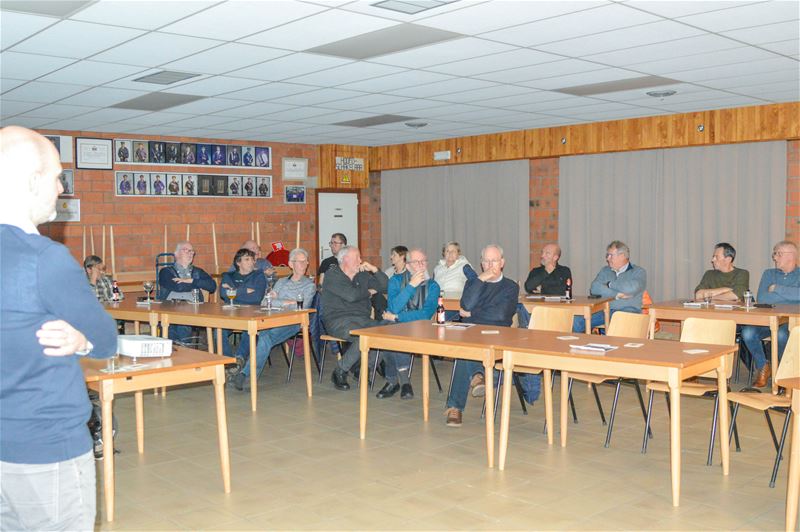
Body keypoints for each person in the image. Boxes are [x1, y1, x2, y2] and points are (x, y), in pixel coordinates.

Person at [0, 125, 118, 531]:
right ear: (33, 181)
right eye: (56, 177)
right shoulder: (45, 258)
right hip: (46, 448)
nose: (61, 188)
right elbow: (105, 338)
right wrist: (83, 339)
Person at [444, 244, 538, 427]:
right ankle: (477, 379)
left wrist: (472, 314)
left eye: (494, 260)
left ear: (502, 262)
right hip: (472, 332)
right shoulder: (473, 283)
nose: (489, 265)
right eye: (486, 261)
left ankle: (462, 398)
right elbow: (466, 304)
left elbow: (501, 315)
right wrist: (480, 280)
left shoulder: (510, 287)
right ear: (481, 263)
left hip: (499, 334)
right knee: (465, 349)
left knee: (467, 354)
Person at [232, 249, 316, 391]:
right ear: (290, 264)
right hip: (273, 319)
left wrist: (279, 300)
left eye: (305, 261)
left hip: (294, 321)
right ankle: (246, 375)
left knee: (265, 336)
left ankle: (246, 375)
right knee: (262, 334)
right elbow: (265, 302)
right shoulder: (282, 282)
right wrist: (287, 302)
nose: (303, 265)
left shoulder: (309, 285)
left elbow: (302, 307)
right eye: (299, 261)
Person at [321, 246, 389, 391]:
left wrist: (374, 269)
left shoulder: (363, 275)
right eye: (357, 257)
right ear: (345, 259)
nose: (360, 260)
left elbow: (385, 287)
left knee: (386, 333)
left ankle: (363, 370)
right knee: (363, 335)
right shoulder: (332, 275)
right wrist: (369, 291)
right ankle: (340, 370)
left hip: (362, 319)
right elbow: (351, 296)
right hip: (337, 320)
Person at [378, 249, 439, 400]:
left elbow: (425, 315)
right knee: (388, 330)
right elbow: (393, 306)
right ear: (408, 265)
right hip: (396, 327)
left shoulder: (433, 286)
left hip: (421, 328)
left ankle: (392, 381)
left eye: (423, 261)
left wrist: (397, 317)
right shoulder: (395, 281)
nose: (421, 265)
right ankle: (404, 382)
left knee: (392, 329)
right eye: (416, 262)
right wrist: (411, 285)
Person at [741, 241, 800, 387]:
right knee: (747, 332)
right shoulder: (768, 273)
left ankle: (784, 372)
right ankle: (763, 366)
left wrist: (776, 288)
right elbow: (763, 298)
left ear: (791, 256)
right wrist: (790, 296)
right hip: (769, 320)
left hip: (792, 321)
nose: (774, 257)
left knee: (781, 334)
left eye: (778, 253)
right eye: (775, 253)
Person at [573, 240, 647, 333]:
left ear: (622, 256)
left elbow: (631, 288)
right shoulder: (605, 270)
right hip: (604, 311)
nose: (608, 258)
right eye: (607, 255)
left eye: (611, 255)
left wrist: (609, 284)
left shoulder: (638, 272)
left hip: (628, 312)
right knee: (576, 320)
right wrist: (616, 294)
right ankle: (580, 346)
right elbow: (594, 288)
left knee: (617, 323)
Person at [158, 241, 217, 342]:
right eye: (186, 250)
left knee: (182, 323)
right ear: (176, 254)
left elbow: (212, 286)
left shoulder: (198, 272)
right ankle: (176, 349)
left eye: (192, 251)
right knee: (172, 325)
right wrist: (197, 283)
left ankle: (182, 350)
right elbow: (178, 287)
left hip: (192, 309)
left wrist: (191, 280)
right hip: (169, 308)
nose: (190, 253)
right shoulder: (166, 271)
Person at [220, 248, 267, 374]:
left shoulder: (259, 275)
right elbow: (224, 294)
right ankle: (228, 362)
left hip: (251, 312)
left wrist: (234, 290)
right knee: (218, 329)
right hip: (231, 313)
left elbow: (256, 297)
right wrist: (245, 290)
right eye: (247, 259)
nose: (251, 262)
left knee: (251, 329)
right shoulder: (228, 275)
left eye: (252, 259)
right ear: (238, 262)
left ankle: (239, 359)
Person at [518, 242, 573, 328]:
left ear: (555, 257)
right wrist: (546, 272)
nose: (542, 256)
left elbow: (562, 291)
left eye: (547, 253)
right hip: (536, 309)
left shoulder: (564, 271)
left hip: (557, 309)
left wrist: (541, 288)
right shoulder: (536, 271)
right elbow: (528, 287)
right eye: (542, 252)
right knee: (520, 306)